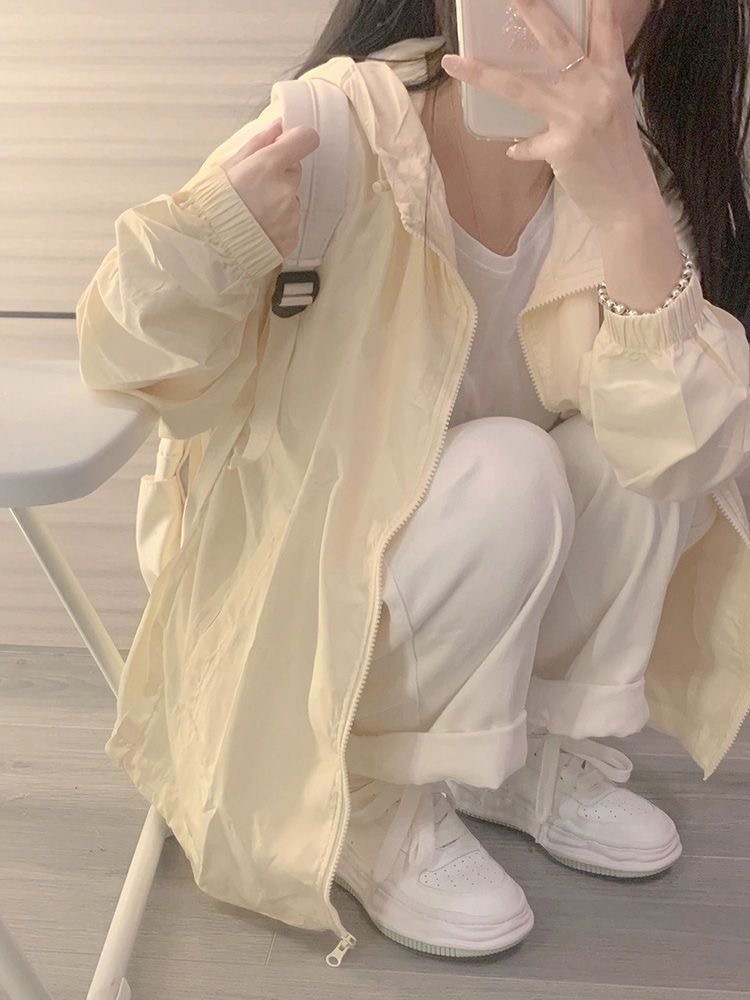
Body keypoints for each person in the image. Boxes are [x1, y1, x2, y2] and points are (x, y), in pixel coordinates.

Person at [76, 0, 750, 966]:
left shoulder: (629, 173)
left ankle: (504, 752)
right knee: (512, 470)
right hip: (318, 593)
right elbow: (121, 352)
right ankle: (364, 789)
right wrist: (220, 236)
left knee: (634, 453)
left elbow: (687, 454)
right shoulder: (338, 127)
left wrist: (627, 207)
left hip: (482, 574)